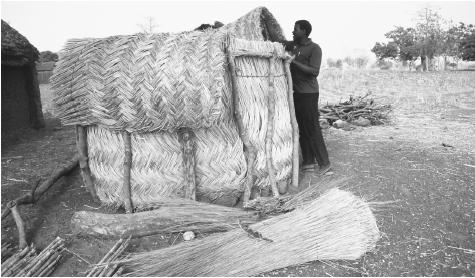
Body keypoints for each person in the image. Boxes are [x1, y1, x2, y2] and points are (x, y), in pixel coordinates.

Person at [281, 20, 331, 175]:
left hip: (309, 94)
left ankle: (325, 164)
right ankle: (308, 161)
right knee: (301, 127)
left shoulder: (315, 49)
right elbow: (279, 41)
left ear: (304, 31)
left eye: (295, 29)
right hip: (296, 94)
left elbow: (314, 71)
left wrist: (293, 61)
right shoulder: (293, 45)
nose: (293, 32)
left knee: (312, 128)